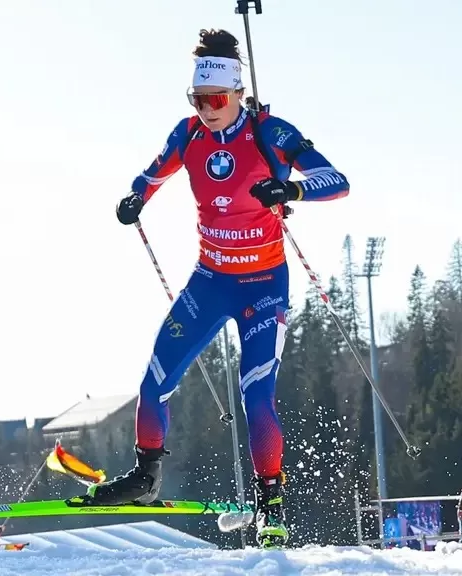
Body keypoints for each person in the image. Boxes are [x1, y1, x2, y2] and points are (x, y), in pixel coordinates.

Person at [86, 28, 349, 549]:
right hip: (210, 281)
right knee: (154, 380)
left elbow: (337, 181)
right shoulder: (188, 135)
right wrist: (134, 199)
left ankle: (271, 502)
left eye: (217, 99)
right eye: (198, 99)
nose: (207, 109)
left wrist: (290, 187)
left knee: (257, 397)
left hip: (263, 286)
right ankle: (145, 477)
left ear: (237, 94)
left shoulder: (271, 133)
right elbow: (150, 176)